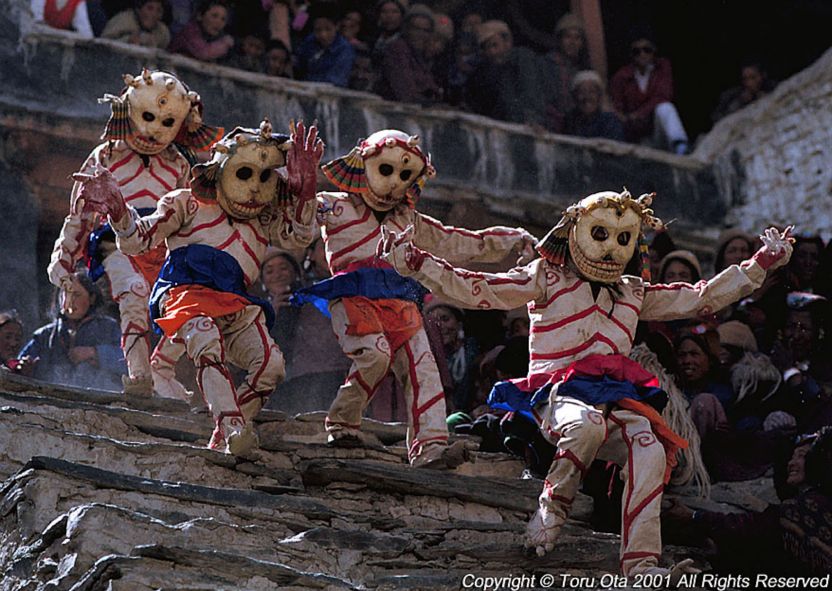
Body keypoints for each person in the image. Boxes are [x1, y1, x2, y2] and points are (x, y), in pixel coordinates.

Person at [380, 188, 793, 576]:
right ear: (574, 230)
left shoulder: (633, 292)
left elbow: (701, 296)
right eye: (600, 234)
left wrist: (759, 264)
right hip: (555, 396)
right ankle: (552, 507)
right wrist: (418, 262)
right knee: (587, 424)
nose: (612, 248)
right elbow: (479, 290)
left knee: (648, 445)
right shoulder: (546, 277)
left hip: (613, 400)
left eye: (623, 237)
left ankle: (641, 565)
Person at [72, 120, 322, 455]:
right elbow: (137, 241)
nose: (253, 189)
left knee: (271, 367)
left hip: (237, 304)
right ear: (220, 170)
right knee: (206, 342)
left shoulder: (264, 217)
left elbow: (300, 238)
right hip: (184, 296)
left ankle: (225, 434)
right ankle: (234, 429)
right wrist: (118, 207)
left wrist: (305, 190)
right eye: (245, 174)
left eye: (265, 178)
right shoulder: (185, 203)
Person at [292, 129, 536, 468]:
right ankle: (342, 422)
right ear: (363, 164)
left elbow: (457, 241)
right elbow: (297, 233)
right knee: (375, 355)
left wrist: (512, 239)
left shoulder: (409, 220)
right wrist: (303, 190)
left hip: (402, 300)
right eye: (386, 169)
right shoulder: (335, 206)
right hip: (353, 296)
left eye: (405, 175)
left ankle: (430, 449)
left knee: (424, 371)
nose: (394, 183)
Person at [47, 69, 221, 398]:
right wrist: (64, 256)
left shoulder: (179, 166)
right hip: (116, 241)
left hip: (163, 244)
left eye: (167, 122)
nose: (154, 131)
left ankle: (162, 368)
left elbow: (189, 213)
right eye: (148, 116)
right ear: (128, 111)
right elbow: (80, 214)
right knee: (134, 293)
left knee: (191, 304)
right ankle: (138, 376)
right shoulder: (105, 157)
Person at [665, 428, 832, 576]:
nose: (791, 463)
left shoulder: (807, 507)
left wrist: (694, 516)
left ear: (819, 460)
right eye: (792, 457)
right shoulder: (808, 503)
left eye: (802, 456)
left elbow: (751, 528)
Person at [17, 272, 126, 391]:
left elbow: (128, 362)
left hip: (100, 402)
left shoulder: (109, 328)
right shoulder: (45, 336)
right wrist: (25, 368)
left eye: (76, 294)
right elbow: (19, 364)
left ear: (92, 298)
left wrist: (95, 353)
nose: (68, 301)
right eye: (65, 294)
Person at [610, 33, 689, 154]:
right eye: (637, 51)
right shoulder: (622, 76)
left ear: (654, 51)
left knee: (665, 107)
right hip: (636, 136)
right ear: (631, 55)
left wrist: (638, 113)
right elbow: (617, 106)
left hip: (658, 132)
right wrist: (627, 118)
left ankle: (680, 146)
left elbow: (663, 95)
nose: (642, 54)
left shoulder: (662, 67)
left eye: (647, 50)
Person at [466, 20, 548, 127]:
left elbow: (530, 90)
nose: (491, 52)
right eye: (487, 48)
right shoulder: (489, 70)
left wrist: (533, 119)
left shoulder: (522, 58)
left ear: (507, 42)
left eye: (494, 45)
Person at [376, 4, 442, 104]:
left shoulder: (422, 56)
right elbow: (405, 91)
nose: (420, 34)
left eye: (425, 30)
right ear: (406, 29)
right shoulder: (397, 50)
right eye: (416, 28)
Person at [425, 299, 478, 413]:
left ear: (459, 324)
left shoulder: (473, 351)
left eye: (445, 319)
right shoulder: (426, 357)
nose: (440, 326)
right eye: (433, 322)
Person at [544, 13, 590, 133]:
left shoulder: (581, 71)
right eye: (568, 37)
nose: (573, 42)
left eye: (577, 38)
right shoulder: (544, 65)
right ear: (559, 40)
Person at [294, 4, 355, 87]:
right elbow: (299, 66)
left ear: (337, 26)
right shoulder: (309, 41)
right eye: (318, 30)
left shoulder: (345, 50)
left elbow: (336, 81)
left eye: (328, 29)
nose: (323, 35)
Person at [563, 70, 625, 141]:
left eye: (592, 92)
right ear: (574, 97)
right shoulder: (569, 120)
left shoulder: (610, 122)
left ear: (599, 96)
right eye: (581, 92)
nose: (587, 97)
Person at [169, 0, 234, 62]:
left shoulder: (217, 38)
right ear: (199, 16)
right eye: (214, 16)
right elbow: (203, 53)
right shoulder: (190, 31)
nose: (219, 22)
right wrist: (225, 43)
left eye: (223, 19)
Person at [101, 0, 171, 49]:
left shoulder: (162, 32)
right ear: (138, 9)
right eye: (149, 8)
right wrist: (127, 40)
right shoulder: (123, 20)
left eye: (159, 11)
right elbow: (102, 45)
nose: (154, 14)